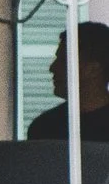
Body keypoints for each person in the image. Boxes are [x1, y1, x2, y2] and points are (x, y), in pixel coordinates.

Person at [23, 22, 109, 154]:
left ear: (93, 69)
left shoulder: (43, 127)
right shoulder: (43, 128)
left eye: (64, 61)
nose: (52, 68)